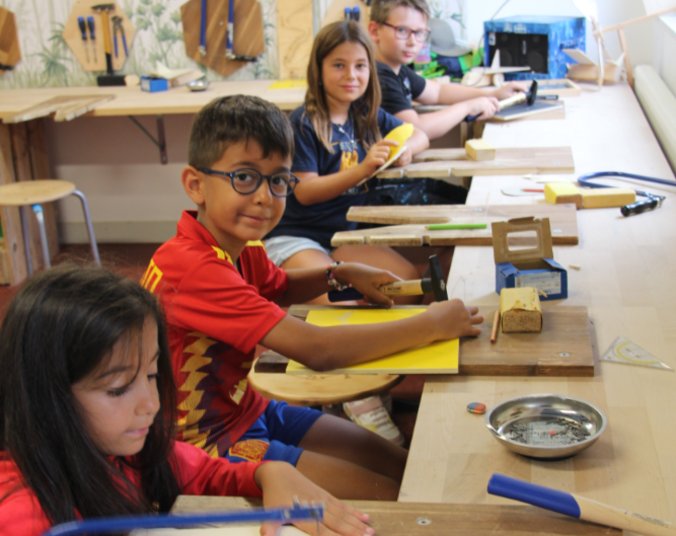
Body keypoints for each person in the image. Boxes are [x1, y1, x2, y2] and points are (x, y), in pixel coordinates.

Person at [141, 93, 483, 501]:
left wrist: (339, 274)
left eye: (279, 180)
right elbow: (319, 351)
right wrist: (432, 323)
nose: (266, 197)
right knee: (390, 498)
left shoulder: (238, 245)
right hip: (202, 445)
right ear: (195, 185)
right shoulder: (194, 268)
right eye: (244, 177)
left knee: (403, 468)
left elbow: (279, 286)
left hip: (250, 410)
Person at [0, 265, 373, 536]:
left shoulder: (127, 451)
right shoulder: (26, 516)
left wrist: (271, 471)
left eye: (150, 374)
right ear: (46, 396)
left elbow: (206, 472)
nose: (150, 403)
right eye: (118, 389)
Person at [264, 20, 431, 291]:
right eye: (339, 65)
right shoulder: (303, 122)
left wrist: (405, 149)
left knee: (404, 289)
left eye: (360, 66)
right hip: (296, 237)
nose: (351, 75)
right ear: (318, 70)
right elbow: (305, 191)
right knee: (335, 299)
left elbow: (419, 134)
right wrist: (363, 169)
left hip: (342, 237)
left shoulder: (365, 116)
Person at [367, 0, 529, 205]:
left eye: (419, 33)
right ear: (374, 30)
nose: (412, 41)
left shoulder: (397, 69)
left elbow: (437, 91)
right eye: (402, 31)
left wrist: (494, 92)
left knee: (470, 199)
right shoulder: (379, 76)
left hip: (400, 179)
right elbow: (416, 128)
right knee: (472, 206)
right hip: (383, 187)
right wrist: (467, 108)